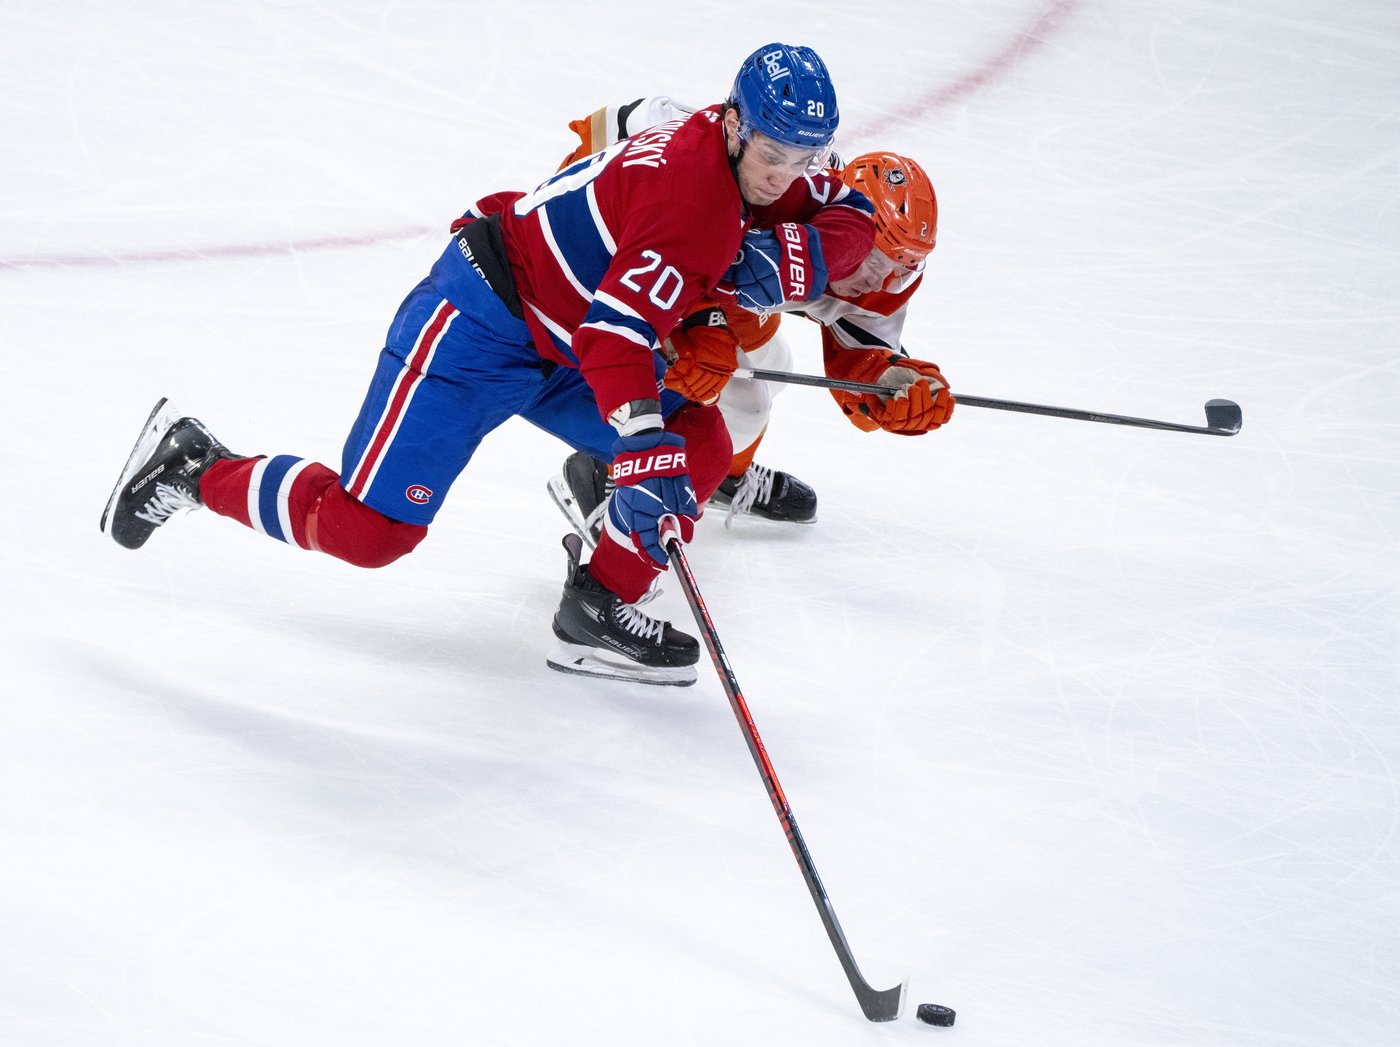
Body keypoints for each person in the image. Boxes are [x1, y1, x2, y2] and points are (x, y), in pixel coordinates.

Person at [99, 43, 875, 688]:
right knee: (369, 532)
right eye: (775, 154)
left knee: (699, 439)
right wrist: (640, 442)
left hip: (560, 334)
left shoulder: (748, 153)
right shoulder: (693, 201)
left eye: (804, 156)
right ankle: (194, 466)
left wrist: (789, 258)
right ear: (735, 125)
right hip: (480, 326)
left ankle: (595, 603)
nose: (787, 174)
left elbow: (856, 211)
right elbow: (617, 333)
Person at [549, 147, 951, 547]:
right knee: (743, 402)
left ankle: (722, 473)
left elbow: (860, 351)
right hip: (635, 256)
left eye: (902, 271)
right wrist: (693, 329)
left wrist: (887, 379)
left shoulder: (862, 263)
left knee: (774, 366)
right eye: (877, 264)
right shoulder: (773, 193)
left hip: (726, 281)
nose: (881, 285)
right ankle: (608, 468)